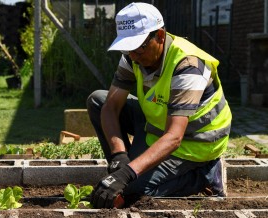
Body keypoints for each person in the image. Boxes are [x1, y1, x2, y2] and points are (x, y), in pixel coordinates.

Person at [86, 2, 232, 209]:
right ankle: (121, 173)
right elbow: (110, 107)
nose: (133, 57)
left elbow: (174, 137)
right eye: (128, 49)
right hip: (159, 126)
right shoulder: (132, 56)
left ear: (160, 36)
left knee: (133, 191)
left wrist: (128, 175)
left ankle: (206, 176)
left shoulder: (188, 65)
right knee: (98, 101)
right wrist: (120, 156)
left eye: (139, 48)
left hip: (194, 142)